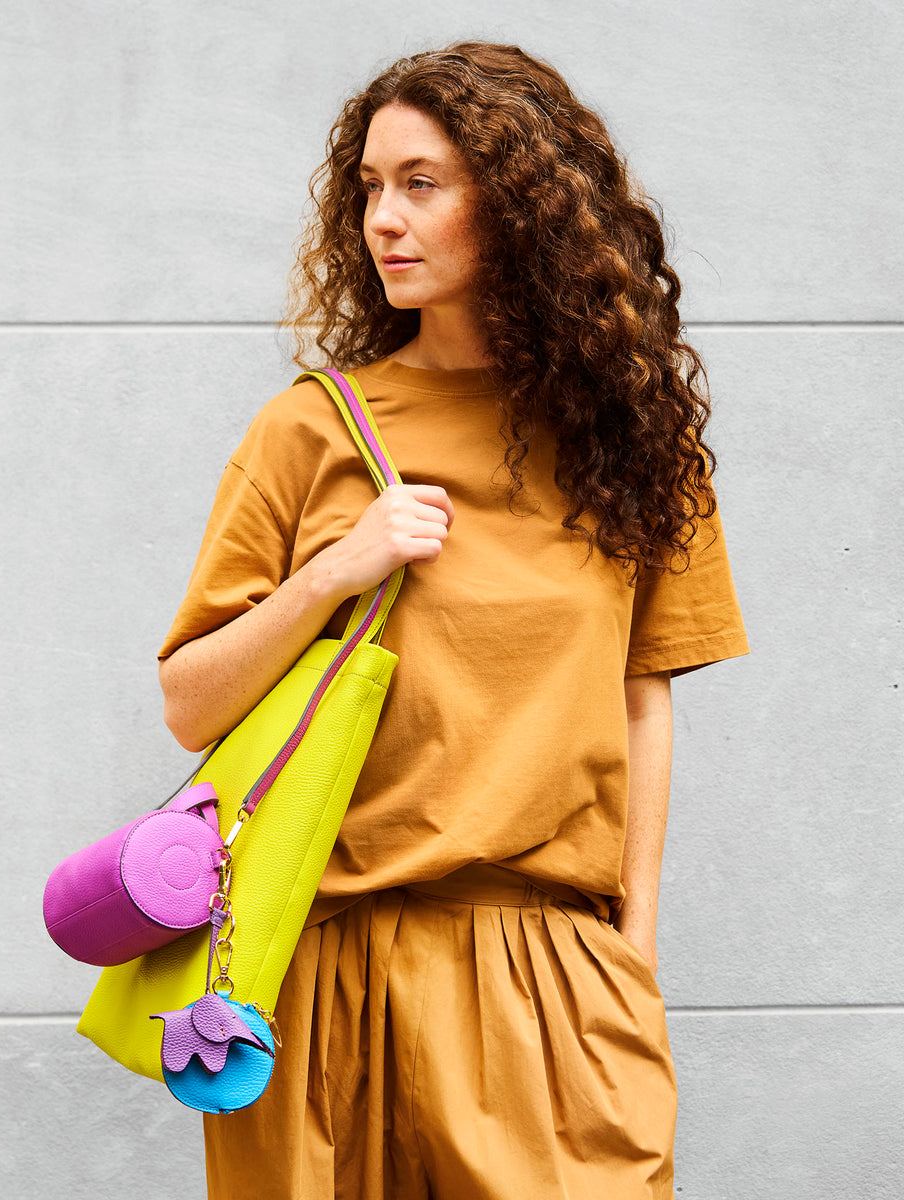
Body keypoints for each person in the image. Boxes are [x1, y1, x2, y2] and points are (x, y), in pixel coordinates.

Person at [156, 42, 748, 1200]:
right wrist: (332, 575)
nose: (383, 218)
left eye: (422, 184)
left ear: (523, 204)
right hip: (325, 969)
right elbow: (189, 703)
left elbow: (644, 700)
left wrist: (633, 952)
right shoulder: (310, 431)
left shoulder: (632, 444)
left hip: (548, 967)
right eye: (370, 187)